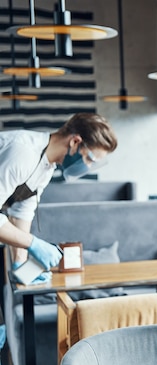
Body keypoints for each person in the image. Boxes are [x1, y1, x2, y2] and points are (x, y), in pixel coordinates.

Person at [0, 113, 118, 282]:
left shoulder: (46, 168)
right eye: (90, 159)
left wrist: (21, 266)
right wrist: (33, 243)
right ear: (75, 142)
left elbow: (21, 214)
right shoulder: (23, 153)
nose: (88, 166)